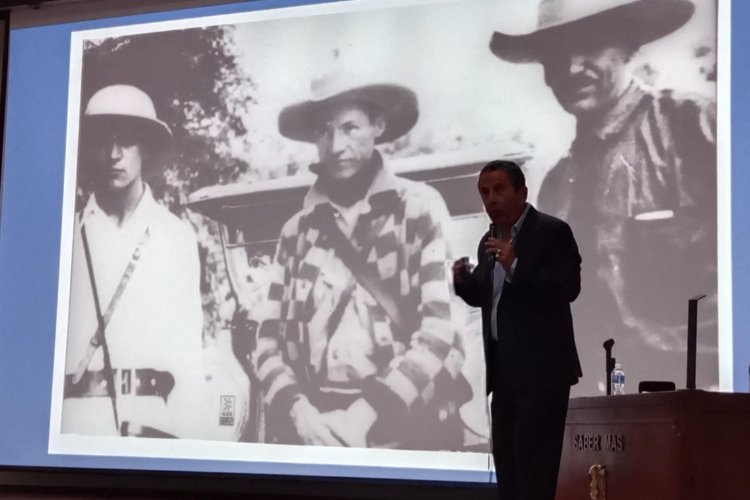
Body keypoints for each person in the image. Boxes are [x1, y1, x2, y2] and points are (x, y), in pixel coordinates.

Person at [489, 0, 717, 394]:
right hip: (601, 402)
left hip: (702, 395)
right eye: (555, 55)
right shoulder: (558, 186)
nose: (573, 67)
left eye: (590, 45)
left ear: (629, 47)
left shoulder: (694, 126)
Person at [248, 74, 469, 450]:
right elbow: (266, 341)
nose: (336, 145)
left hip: (405, 427)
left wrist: (364, 416)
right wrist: (301, 414)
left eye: (350, 128)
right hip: (316, 433)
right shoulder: (296, 232)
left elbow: (442, 332)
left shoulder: (418, 210)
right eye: (324, 131)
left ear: (378, 126)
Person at [61, 84, 245, 440]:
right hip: (75, 424)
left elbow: (187, 357)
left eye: (126, 141)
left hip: (153, 422)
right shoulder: (67, 234)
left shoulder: (174, 237)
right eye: (103, 140)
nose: (114, 154)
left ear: (145, 147)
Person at [453, 160, 582, 500]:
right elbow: (489, 297)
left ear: (522, 192)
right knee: (509, 469)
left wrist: (516, 265)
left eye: (498, 190)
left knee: (534, 472)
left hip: (542, 376)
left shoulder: (552, 232)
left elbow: (568, 288)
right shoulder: (489, 241)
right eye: (484, 192)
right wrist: (465, 284)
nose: (490, 199)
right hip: (504, 375)